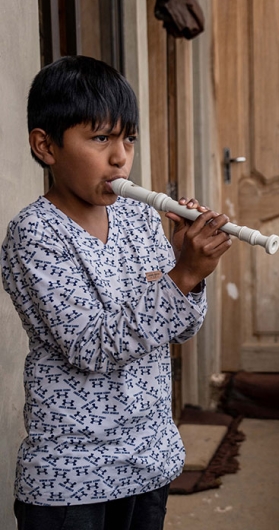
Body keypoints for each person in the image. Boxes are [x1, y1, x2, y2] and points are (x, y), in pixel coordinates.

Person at [0, 55, 233, 530]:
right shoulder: (35, 234)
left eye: (128, 138)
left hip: (149, 458)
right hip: (72, 475)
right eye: (100, 138)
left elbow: (182, 327)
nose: (120, 156)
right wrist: (178, 276)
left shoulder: (139, 216)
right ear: (46, 146)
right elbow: (91, 346)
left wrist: (190, 264)